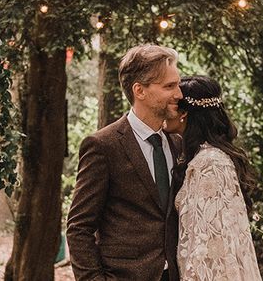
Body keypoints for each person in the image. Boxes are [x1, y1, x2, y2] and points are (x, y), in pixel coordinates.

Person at [67, 44, 184, 281]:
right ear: (139, 90)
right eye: (169, 86)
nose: (179, 94)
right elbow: (79, 228)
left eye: (177, 84)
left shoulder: (178, 143)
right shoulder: (103, 146)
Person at [165, 76, 261, 281]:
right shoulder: (200, 158)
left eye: (172, 104)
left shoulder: (210, 164)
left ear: (184, 114)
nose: (166, 109)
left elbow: (211, 249)